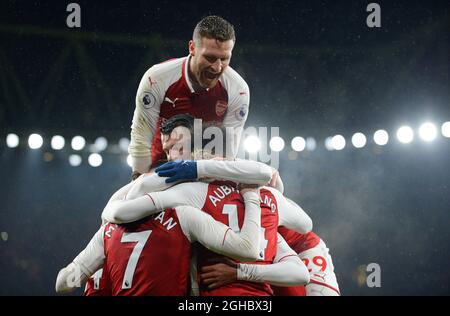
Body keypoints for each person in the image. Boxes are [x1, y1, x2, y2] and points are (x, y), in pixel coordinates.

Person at [129, 15, 250, 180]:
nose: (217, 67)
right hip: (159, 171)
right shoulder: (156, 78)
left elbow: (228, 151)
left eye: (224, 59)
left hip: (205, 174)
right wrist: (139, 178)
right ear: (192, 48)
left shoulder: (238, 89)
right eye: (210, 58)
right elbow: (141, 135)